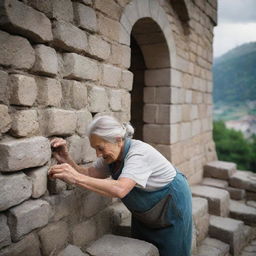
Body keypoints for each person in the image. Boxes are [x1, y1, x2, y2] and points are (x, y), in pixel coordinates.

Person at [49, 115, 192, 256]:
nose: (98, 154)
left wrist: (75, 178)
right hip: (146, 210)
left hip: (171, 203)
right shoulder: (112, 155)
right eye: (95, 149)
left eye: (100, 148)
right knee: (142, 248)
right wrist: (66, 159)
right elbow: (90, 174)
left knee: (172, 250)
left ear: (118, 140)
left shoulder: (139, 154)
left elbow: (120, 189)